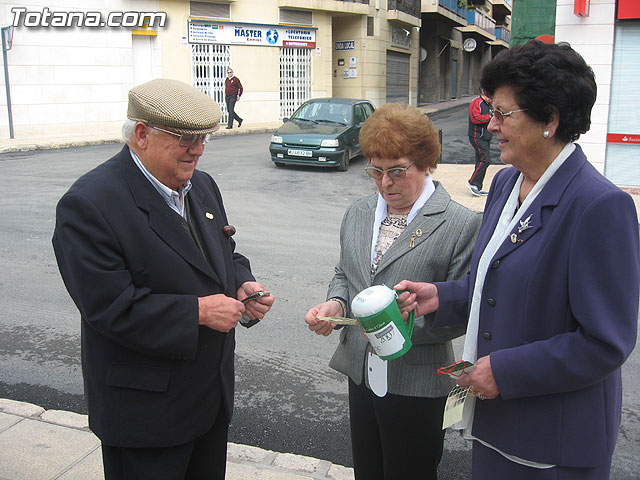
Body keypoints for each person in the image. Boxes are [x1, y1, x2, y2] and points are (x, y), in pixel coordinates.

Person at [395, 41, 640, 479]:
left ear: (550, 119)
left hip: (553, 445)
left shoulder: (598, 206)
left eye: (503, 114)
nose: (490, 126)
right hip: (496, 425)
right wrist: (441, 297)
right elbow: (493, 284)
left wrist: (506, 371)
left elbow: (606, 343)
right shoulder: (507, 184)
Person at [52, 78, 274, 480]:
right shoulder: (90, 204)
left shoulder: (200, 184)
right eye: (187, 138)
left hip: (208, 399)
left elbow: (223, 252)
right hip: (146, 417)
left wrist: (241, 281)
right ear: (141, 135)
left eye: (205, 137)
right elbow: (109, 308)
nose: (199, 149)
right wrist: (198, 312)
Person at [304, 103, 480, 480]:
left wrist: (392, 329)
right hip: (361, 375)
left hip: (415, 381)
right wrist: (335, 304)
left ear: (425, 163)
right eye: (376, 170)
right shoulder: (359, 212)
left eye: (397, 171)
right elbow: (345, 273)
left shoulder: (460, 224)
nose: (385, 183)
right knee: (368, 470)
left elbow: (461, 310)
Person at [467, 90, 493, 196]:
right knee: (485, 159)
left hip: (485, 136)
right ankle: (472, 182)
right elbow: (476, 118)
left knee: (480, 160)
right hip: (477, 136)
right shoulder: (476, 102)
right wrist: (489, 117)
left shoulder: (489, 104)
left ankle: (477, 185)